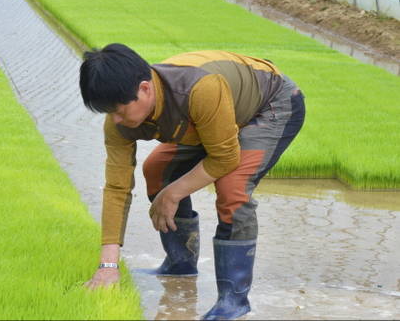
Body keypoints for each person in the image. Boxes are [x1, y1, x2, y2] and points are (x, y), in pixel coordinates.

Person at [78, 43, 305, 320]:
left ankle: (234, 301)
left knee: (232, 188)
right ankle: (180, 265)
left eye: (120, 109)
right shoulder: (119, 122)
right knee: (157, 170)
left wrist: (173, 194)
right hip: (211, 119)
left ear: (145, 89)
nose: (115, 119)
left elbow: (223, 158)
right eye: (107, 112)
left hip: (269, 105)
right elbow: (117, 187)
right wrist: (108, 265)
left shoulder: (199, 89)